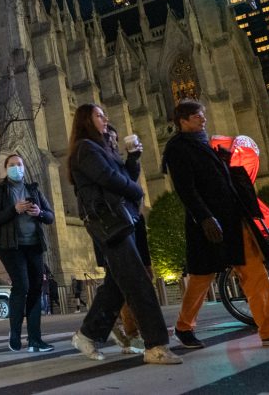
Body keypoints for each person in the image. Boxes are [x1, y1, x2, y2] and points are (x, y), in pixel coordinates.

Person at [163, 99, 269, 348]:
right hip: (208, 223)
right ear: (183, 120)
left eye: (202, 114)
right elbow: (186, 189)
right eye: (197, 115)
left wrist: (226, 162)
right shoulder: (178, 147)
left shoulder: (205, 144)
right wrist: (204, 217)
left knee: (255, 272)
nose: (203, 118)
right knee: (201, 277)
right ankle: (183, 327)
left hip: (233, 219)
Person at [68, 104, 182, 365]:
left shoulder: (101, 148)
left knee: (118, 283)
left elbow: (124, 175)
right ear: (86, 120)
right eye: (99, 115)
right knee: (138, 281)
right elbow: (108, 178)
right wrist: (137, 192)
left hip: (119, 220)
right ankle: (155, 345)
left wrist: (133, 158)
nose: (105, 119)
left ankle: (87, 334)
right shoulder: (85, 148)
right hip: (108, 222)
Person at [0, 153, 55, 352]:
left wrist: (39, 213)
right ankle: (15, 333)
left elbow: (50, 216)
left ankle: (35, 339)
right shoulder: (0, 191)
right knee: (22, 286)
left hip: (34, 244)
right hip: (11, 246)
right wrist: (14, 209)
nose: (16, 167)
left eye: (19, 164)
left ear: (24, 168)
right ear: (6, 168)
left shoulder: (32, 189)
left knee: (36, 288)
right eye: (12, 165)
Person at [104, 124, 153, 355]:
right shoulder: (100, 163)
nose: (113, 142)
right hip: (118, 226)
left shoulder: (117, 162)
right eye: (109, 138)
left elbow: (132, 181)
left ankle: (137, 329)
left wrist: (134, 158)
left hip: (134, 223)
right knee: (128, 282)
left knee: (143, 275)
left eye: (115, 139)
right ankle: (133, 332)